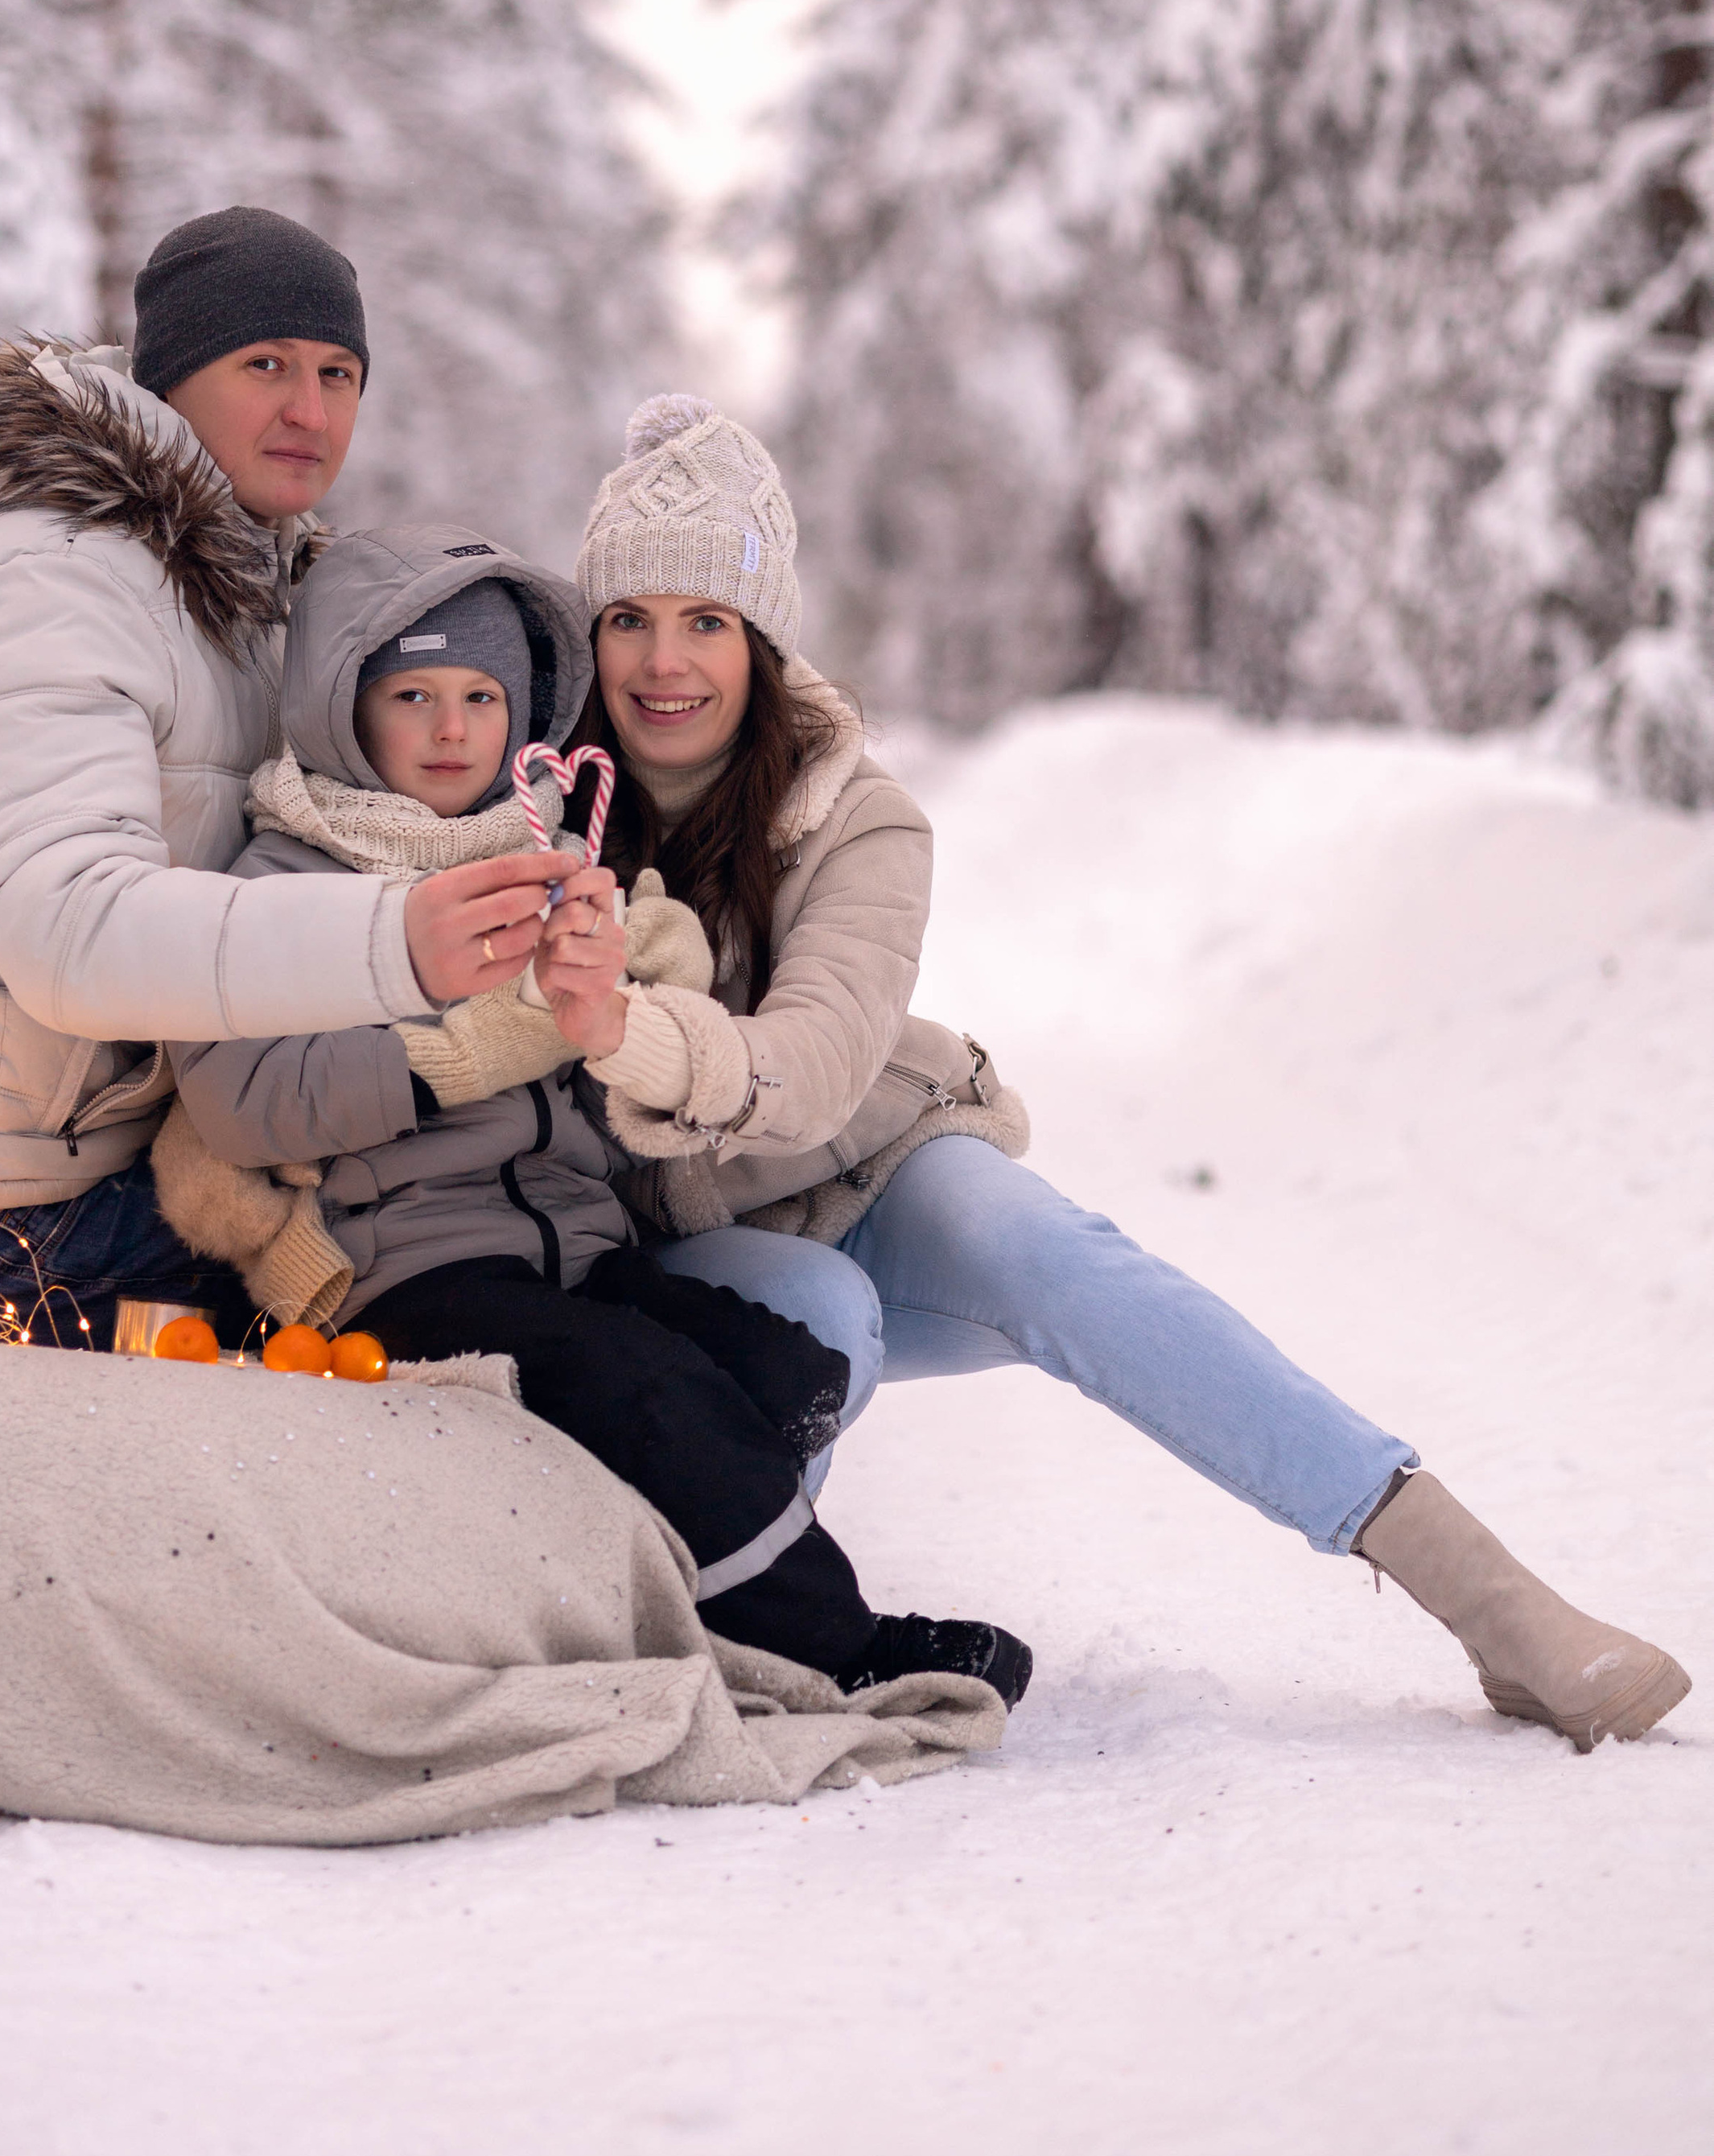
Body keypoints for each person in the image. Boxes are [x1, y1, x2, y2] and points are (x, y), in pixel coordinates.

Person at [543, 394, 1689, 1757]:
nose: (665, 663)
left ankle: (1492, 1600)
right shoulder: (541, 799)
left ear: (762, 636)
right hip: (678, 1246)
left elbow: (811, 1063)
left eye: (706, 622)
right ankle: (745, 1619)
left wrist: (626, 1029)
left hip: (851, 1159)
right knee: (821, 1313)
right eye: (630, 620)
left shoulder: (858, 818)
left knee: (1049, 1249)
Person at [153, 525, 1033, 1704]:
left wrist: (630, 986)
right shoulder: (282, 883)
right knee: (651, 1395)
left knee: (787, 1369)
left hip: (575, 1244)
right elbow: (245, 1103)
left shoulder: (544, 856)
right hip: (406, 1269)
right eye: (413, 694)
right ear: (344, 709)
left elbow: (621, 1084)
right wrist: (456, 1054)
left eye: (480, 696)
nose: (452, 728)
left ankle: (634, 1588)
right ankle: (828, 1642)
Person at [0, 207, 587, 1348]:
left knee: (518, 1250)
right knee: (415, 1366)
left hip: (88, 1167)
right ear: (170, 379)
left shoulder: (249, 576)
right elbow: (70, 930)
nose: (311, 409)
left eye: (340, 373)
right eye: (267, 366)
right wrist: (395, 942)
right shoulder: (56, 579)